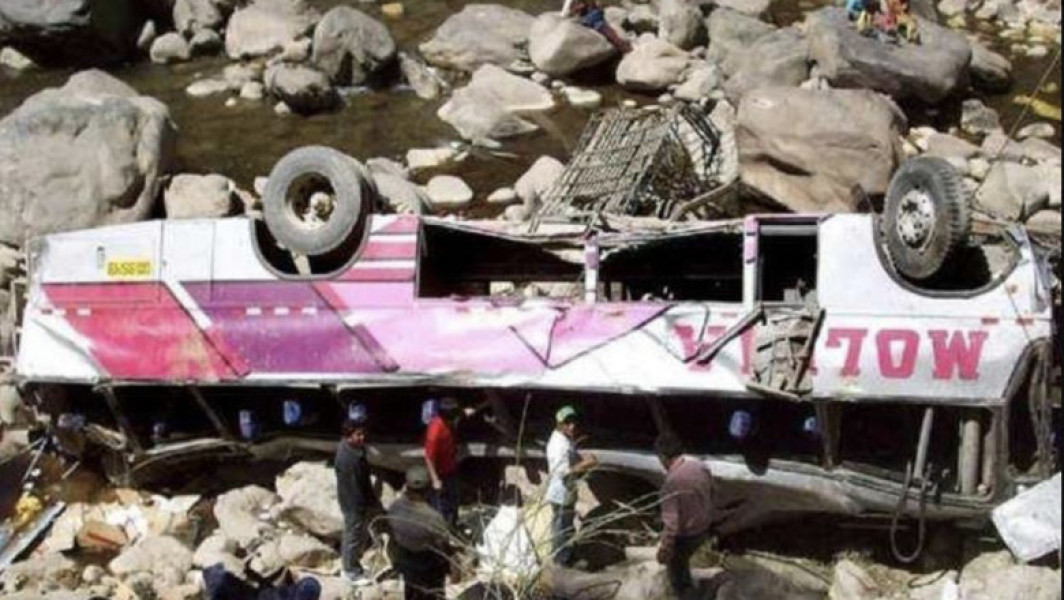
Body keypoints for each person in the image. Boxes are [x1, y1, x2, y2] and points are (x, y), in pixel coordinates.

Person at [655, 432, 713, 600]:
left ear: (663, 457)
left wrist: (664, 551)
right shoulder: (700, 467)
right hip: (704, 527)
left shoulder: (671, 484)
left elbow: (671, 526)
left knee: (678, 573)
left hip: (687, 535)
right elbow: (713, 492)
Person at [387, 465, 453, 600]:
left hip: (405, 561)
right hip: (428, 566)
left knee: (410, 592)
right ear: (428, 489)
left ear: (407, 486)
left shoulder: (395, 507)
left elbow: (391, 533)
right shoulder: (433, 517)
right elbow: (442, 546)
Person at [334, 405, 381, 586]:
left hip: (351, 500)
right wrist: (365, 505)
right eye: (358, 435)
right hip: (353, 503)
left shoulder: (352, 449)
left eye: (362, 434)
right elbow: (356, 487)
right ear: (348, 436)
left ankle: (352, 565)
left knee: (352, 534)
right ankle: (350, 571)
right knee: (352, 536)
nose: (362, 438)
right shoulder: (350, 459)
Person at [546, 405, 598, 567]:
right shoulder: (558, 445)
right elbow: (562, 471)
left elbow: (570, 458)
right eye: (567, 423)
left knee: (565, 525)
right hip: (561, 492)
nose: (572, 426)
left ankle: (566, 555)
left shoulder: (564, 440)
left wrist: (581, 457)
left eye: (573, 422)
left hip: (566, 491)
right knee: (561, 528)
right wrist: (586, 464)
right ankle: (561, 560)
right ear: (559, 424)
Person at [423, 397, 462, 528]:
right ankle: (441, 530)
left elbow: (465, 413)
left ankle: (453, 525)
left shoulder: (451, 421)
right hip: (440, 473)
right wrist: (435, 480)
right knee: (440, 505)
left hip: (451, 468)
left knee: (454, 500)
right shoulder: (435, 430)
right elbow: (429, 458)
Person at [560, 0, 632, 53]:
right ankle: (623, 45)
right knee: (606, 29)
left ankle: (623, 46)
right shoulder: (570, 2)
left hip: (592, 16)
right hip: (590, 16)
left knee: (606, 30)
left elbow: (566, 13)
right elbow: (566, 13)